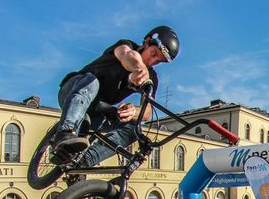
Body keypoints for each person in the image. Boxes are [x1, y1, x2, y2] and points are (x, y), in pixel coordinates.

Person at [48, 26, 179, 168]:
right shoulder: (126, 46)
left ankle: (85, 162)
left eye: (159, 61)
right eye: (153, 54)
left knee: (134, 129)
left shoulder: (151, 77)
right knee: (92, 82)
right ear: (147, 42)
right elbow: (126, 55)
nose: (153, 62)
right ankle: (65, 133)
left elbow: (147, 111)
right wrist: (138, 68)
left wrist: (133, 111)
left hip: (97, 110)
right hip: (73, 92)